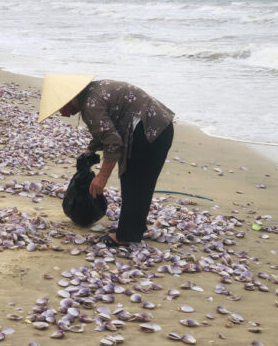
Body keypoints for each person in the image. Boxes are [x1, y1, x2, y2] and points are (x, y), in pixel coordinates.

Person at [38, 75, 175, 246]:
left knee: (134, 180)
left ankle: (126, 236)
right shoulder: (92, 92)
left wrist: (101, 177)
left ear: (70, 97)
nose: (61, 113)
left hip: (149, 131)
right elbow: (108, 127)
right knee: (140, 182)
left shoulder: (90, 104)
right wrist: (91, 149)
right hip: (161, 126)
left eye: (60, 107)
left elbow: (113, 142)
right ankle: (134, 229)